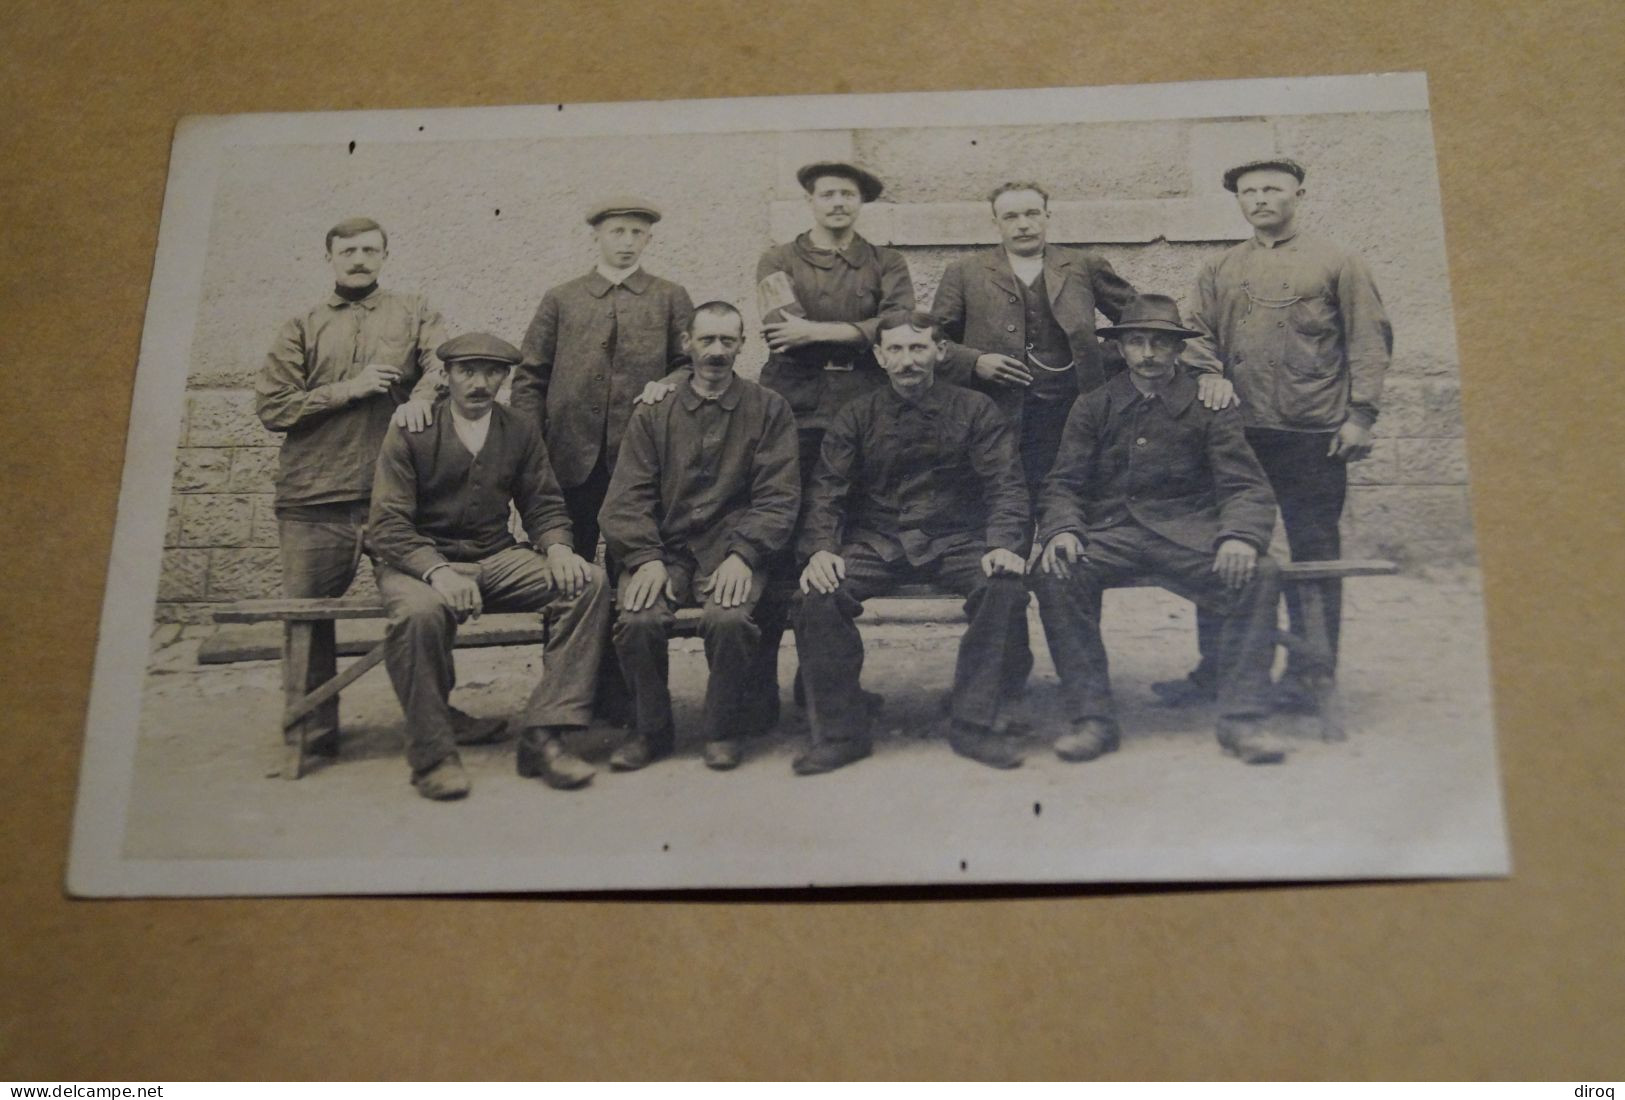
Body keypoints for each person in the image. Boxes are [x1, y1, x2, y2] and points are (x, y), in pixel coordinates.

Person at [636, 161, 915, 732]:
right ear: (810, 202)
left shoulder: (886, 261)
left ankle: (826, 687)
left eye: (848, 195)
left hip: (863, 402)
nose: (838, 203)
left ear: (860, 204)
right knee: (782, 546)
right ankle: (753, 691)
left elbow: (898, 321)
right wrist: (856, 331)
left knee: (837, 547)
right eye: (827, 194)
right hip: (798, 403)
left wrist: (825, 332)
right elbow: (783, 327)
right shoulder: (779, 259)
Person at [254, 217, 489, 757]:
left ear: (385, 256)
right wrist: (349, 390)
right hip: (313, 498)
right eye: (348, 251)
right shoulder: (302, 325)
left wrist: (422, 397)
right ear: (330, 257)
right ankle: (310, 730)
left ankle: (437, 717)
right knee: (307, 617)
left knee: (426, 606)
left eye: (370, 250)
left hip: (400, 499)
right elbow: (272, 406)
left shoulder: (414, 311)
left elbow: (443, 361)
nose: (359, 259)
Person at [1164, 158, 1393, 712]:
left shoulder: (1338, 262)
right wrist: (1210, 373)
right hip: (1238, 432)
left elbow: (1369, 339)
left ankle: (1310, 675)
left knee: (1314, 553)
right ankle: (1218, 669)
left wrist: (1361, 415)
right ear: (1239, 201)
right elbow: (1193, 333)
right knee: (1227, 545)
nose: (1261, 198)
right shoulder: (1220, 267)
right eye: (1249, 191)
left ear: (1299, 194)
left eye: (1273, 188)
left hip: (1312, 432)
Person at [1030, 295, 1286, 765]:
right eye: (1136, 342)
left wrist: (1238, 536)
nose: (1148, 354)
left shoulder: (1209, 405)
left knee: (1259, 573)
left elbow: (1245, 485)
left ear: (1177, 350)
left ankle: (1243, 720)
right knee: (1055, 572)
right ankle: (1092, 719)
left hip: (1190, 533)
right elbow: (1063, 483)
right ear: (1122, 349)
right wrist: (1063, 529)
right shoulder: (1094, 405)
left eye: (1159, 343)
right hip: (1113, 532)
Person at [367, 333, 611, 800]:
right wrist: (438, 572)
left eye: (492, 372)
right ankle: (434, 757)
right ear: (447, 375)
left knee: (588, 582)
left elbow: (543, 503)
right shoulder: (413, 428)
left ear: (505, 377)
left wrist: (558, 547)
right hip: (418, 563)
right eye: (467, 371)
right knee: (419, 614)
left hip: (496, 556)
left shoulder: (518, 429)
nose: (480, 383)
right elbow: (387, 524)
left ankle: (545, 734)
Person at [792, 311, 1031, 775]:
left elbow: (1006, 484)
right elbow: (827, 489)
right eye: (896, 350)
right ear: (880, 357)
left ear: (940, 352)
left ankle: (974, 722)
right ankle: (842, 732)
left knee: (1003, 586)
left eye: (918, 348)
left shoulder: (976, 410)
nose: (908, 360)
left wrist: (1002, 543)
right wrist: (821, 549)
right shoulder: (857, 415)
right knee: (817, 594)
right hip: (877, 541)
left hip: (955, 539)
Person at [510, 196, 694, 721]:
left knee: (631, 578)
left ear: (649, 240)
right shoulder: (562, 299)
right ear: (597, 236)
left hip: (640, 467)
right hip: (569, 463)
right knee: (564, 577)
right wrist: (530, 454)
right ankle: (564, 697)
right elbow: (530, 377)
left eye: (637, 232)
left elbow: (690, 362)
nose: (627, 241)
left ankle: (625, 697)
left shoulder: (669, 297)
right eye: (617, 231)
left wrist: (667, 383)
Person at [598, 302, 801, 771]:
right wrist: (644, 557)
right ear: (687, 343)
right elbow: (627, 496)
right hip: (664, 551)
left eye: (728, 341)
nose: (716, 352)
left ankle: (722, 728)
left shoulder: (768, 408)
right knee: (638, 619)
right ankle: (650, 730)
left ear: (742, 345)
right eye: (707, 340)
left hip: (731, 551)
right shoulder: (655, 412)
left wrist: (744, 554)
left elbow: (779, 497)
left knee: (729, 619)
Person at [932, 181, 1155, 505]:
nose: (1023, 224)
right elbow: (934, 338)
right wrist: (975, 361)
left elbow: (1139, 320)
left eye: (1032, 213)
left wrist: (1104, 360)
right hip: (997, 411)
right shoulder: (965, 272)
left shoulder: (1084, 265)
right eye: (1010, 216)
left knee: (1072, 497)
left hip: (1073, 410)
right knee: (1004, 501)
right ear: (995, 223)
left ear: (1047, 216)